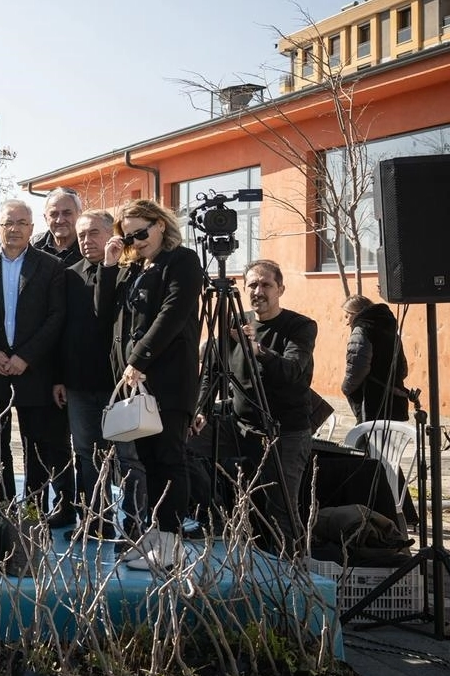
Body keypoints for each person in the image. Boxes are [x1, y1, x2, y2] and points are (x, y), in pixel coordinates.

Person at [96, 199, 204, 572]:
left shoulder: (183, 260)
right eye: (129, 237)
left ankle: (171, 543)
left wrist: (138, 360)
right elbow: (104, 313)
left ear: (161, 225)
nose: (136, 241)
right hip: (134, 381)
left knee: (169, 458)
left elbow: (172, 313)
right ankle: (155, 536)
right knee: (148, 461)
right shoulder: (135, 267)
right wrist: (110, 266)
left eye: (141, 233)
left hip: (168, 378)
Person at [203, 259, 318, 548]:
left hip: (285, 432)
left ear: (280, 288)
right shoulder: (235, 323)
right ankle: (217, 527)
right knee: (186, 448)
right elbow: (212, 372)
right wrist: (199, 410)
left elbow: (292, 371)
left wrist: (258, 350)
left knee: (280, 507)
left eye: (266, 284)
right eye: (252, 284)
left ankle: (289, 570)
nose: (258, 290)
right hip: (241, 426)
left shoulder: (300, 326)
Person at [54, 209, 144, 536]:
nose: (86, 240)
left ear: (112, 235)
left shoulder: (130, 272)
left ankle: (134, 525)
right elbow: (64, 331)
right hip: (79, 384)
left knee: (128, 458)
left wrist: (108, 265)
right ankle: (95, 522)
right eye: (81, 235)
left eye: (93, 232)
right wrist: (60, 377)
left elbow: (104, 314)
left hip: (119, 385)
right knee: (86, 455)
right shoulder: (70, 273)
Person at [0, 199, 70, 521]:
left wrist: (26, 356)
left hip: (34, 370)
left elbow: (56, 317)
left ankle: (33, 512)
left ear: (32, 229)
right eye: (8, 223)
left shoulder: (50, 266)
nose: (15, 229)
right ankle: (5, 509)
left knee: (36, 447)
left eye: (22, 223)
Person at [341, 295, 409, 422]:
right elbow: (403, 369)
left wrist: (346, 389)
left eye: (347, 316)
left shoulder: (361, 330)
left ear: (355, 313)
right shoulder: (390, 330)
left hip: (371, 402)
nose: (346, 322)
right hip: (396, 400)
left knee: (365, 441)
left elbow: (357, 369)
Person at [32, 188, 83, 267]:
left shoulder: (89, 246)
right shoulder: (34, 246)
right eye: (54, 214)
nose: (60, 220)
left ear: (79, 214)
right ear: (46, 218)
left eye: (67, 213)